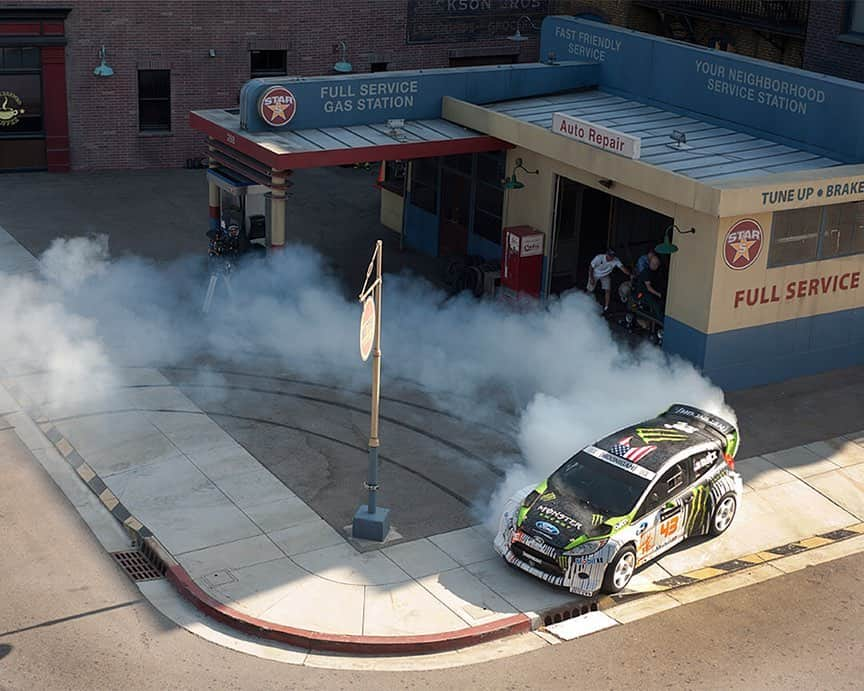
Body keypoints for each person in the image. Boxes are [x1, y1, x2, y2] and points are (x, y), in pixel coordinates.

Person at [587, 249, 631, 313]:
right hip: (595, 274)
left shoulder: (616, 260)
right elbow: (590, 267)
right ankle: (585, 302)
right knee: (590, 289)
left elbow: (623, 268)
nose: (611, 257)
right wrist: (591, 278)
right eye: (610, 256)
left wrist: (630, 274)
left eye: (612, 256)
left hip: (605, 275)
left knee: (608, 290)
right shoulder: (599, 257)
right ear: (606, 254)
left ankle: (606, 307)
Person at [635, 253, 665, 320]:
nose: (654, 265)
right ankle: (661, 318)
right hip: (643, 293)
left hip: (651, 291)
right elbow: (649, 288)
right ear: (649, 263)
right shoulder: (646, 272)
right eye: (653, 263)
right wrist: (659, 294)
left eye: (656, 264)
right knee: (655, 303)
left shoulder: (657, 272)